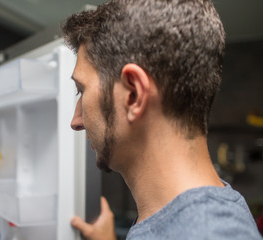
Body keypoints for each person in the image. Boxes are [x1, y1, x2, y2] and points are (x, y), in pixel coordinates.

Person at [61, 0, 263, 239]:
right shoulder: (193, 221)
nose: (75, 121)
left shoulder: (208, 233)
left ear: (134, 94)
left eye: (81, 90)